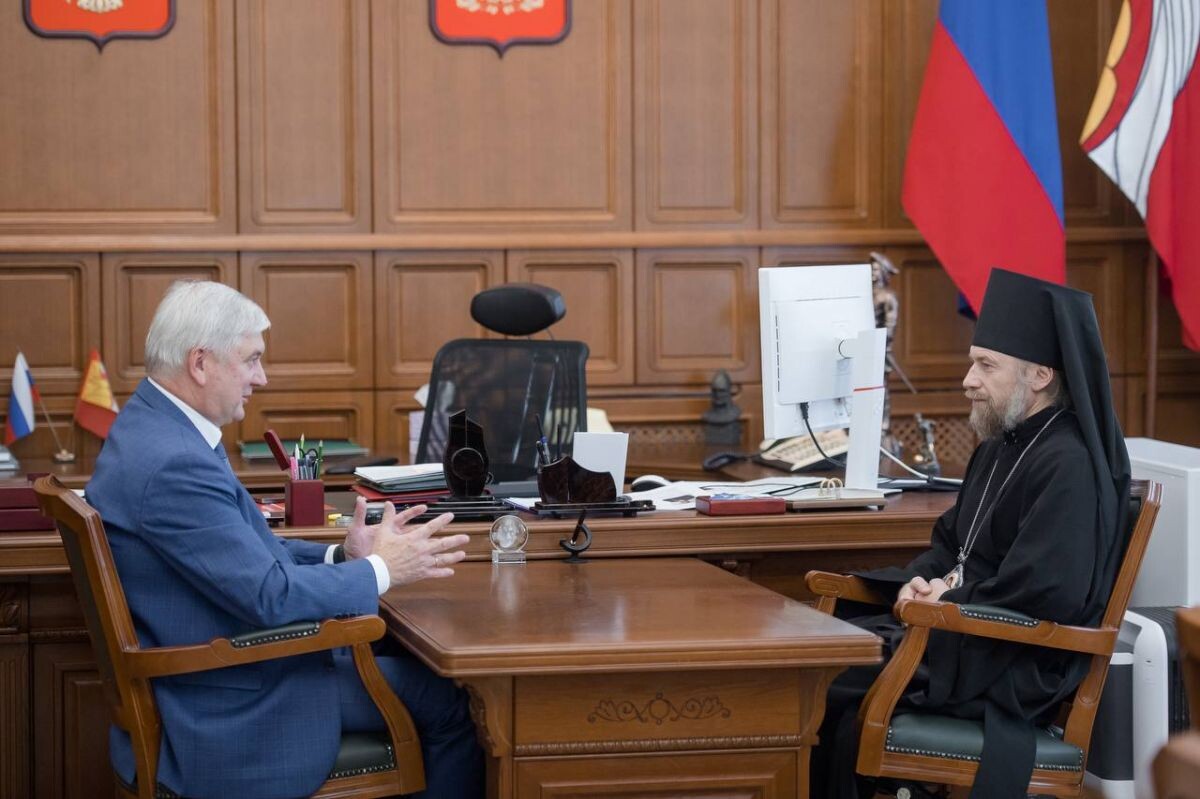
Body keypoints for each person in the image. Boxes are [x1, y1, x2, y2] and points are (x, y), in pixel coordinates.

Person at [86, 281, 484, 799]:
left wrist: (343, 555)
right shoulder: (175, 463)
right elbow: (270, 596)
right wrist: (383, 570)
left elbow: (240, 552)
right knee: (451, 702)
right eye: (251, 360)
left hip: (215, 673)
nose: (261, 378)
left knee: (405, 659)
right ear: (200, 363)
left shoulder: (151, 426)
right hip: (231, 703)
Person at [812, 269, 1131, 799]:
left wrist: (947, 601)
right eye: (972, 362)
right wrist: (919, 583)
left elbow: (1048, 589)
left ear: (1040, 375)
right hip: (962, 634)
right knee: (820, 658)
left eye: (986, 365)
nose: (968, 380)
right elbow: (950, 546)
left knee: (821, 678)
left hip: (1011, 657)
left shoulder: (1069, 462)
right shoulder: (1000, 444)